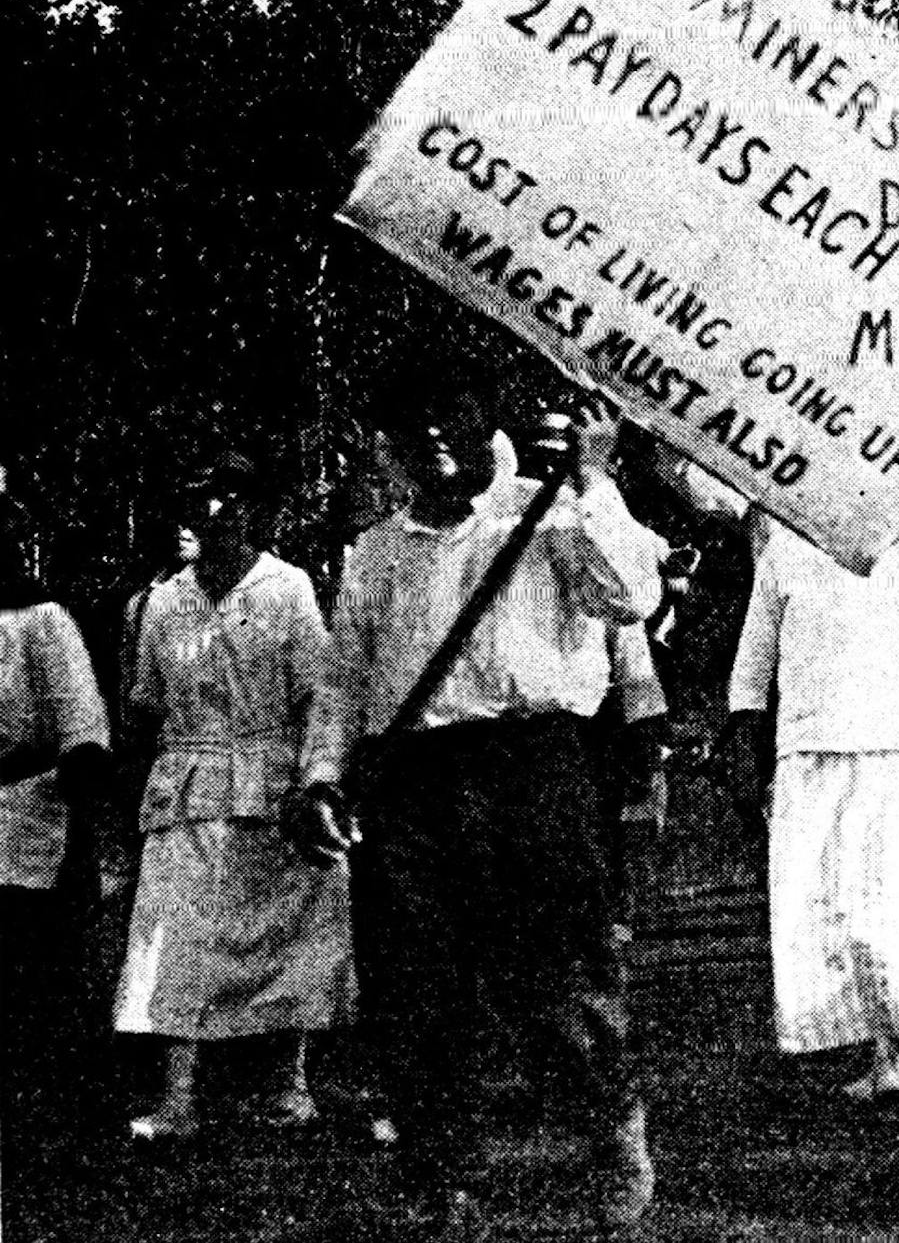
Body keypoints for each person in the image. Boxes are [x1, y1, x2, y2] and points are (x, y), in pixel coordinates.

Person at [292, 388, 660, 1234]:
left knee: (559, 977)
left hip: (531, 767)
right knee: (418, 985)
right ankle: (441, 1171)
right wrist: (320, 778)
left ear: (485, 424)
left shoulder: (549, 515)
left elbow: (629, 595)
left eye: (453, 419)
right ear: (385, 447)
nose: (435, 443)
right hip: (414, 778)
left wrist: (596, 479)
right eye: (411, 431)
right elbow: (344, 679)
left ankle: (610, 1131)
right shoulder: (375, 551)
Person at [114, 453, 355, 1141]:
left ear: (254, 510)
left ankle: (290, 1086)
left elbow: (319, 693)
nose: (216, 512)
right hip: (187, 786)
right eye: (202, 497)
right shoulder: (162, 601)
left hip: (274, 784)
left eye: (230, 497)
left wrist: (318, 780)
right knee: (175, 935)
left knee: (295, 932)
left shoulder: (287, 588)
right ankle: (177, 1098)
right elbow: (147, 704)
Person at [727, 521, 899, 1103]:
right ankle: (872, 1046)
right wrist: (744, 746)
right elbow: (756, 657)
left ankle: (892, 1055)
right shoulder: (789, 548)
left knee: (897, 899)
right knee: (825, 903)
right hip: (814, 746)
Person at [1, 496, 114, 1166]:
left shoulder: (41, 621)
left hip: (25, 818)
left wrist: (80, 832)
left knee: (33, 979)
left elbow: (81, 729)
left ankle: (52, 1126)